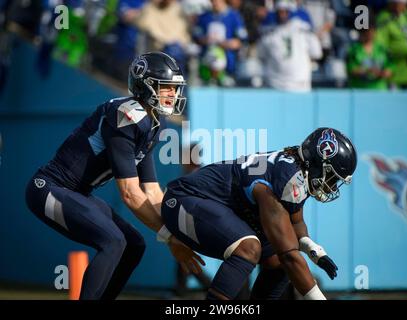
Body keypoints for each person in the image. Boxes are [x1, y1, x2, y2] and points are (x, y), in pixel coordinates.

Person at [25, 51, 205, 300]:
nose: (173, 94)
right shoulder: (126, 115)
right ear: (146, 85)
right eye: (166, 87)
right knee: (113, 241)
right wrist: (170, 237)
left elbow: (151, 190)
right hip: (48, 188)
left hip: (78, 193)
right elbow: (130, 194)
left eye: (174, 88)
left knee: (134, 245)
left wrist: (179, 227)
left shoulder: (153, 123)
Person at [161, 127, 357, 300]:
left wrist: (315, 251)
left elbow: (296, 224)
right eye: (332, 177)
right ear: (317, 162)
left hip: (218, 205)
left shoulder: (296, 170)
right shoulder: (287, 179)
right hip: (183, 200)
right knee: (250, 248)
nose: (331, 187)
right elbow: (289, 254)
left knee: (277, 262)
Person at [257, 1, 322, 92]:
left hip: (299, 84)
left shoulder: (303, 30)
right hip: (275, 84)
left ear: (291, 12)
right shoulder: (269, 33)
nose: (282, 15)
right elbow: (261, 55)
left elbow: (316, 53)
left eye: (285, 11)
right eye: (280, 12)